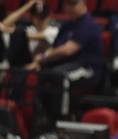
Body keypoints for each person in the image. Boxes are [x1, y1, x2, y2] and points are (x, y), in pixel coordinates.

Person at [25, 0, 103, 128]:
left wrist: (43, 57)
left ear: (83, 3)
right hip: (65, 65)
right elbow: (54, 48)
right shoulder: (67, 26)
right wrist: (38, 63)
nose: (70, 8)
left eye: (74, 4)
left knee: (60, 76)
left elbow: (68, 49)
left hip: (87, 68)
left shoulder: (88, 25)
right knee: (42, 73)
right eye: (67, 4)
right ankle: (39, 116)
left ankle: (61, 119)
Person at [0, 0, 58, 68]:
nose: (40, 20)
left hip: (42, 64)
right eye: (37, 16)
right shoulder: (29, 29)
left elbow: (35, 36)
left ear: (48, 16)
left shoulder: (54, 30)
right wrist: (29, 5)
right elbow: (3, 25)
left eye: (43, 17)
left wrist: (10, 30)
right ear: (32, 17)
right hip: (23, 61)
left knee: (19, 33)